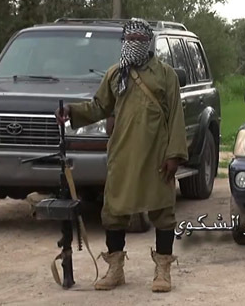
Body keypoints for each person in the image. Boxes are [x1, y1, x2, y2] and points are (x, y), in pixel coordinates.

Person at [54, 18, 188, 293]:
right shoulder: (116, 75)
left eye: (140, 38)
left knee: (162, 211)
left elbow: (176, 116)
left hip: (156, 154)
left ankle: (163, 270)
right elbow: (99, 106)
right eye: (131, 38)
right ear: (124, 42)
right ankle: (115, 269)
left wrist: (174, 154)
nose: (135, 43)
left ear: (148, 42)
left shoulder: (165, 75)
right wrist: (72, 112)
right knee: (114, 210)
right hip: (123, 153)